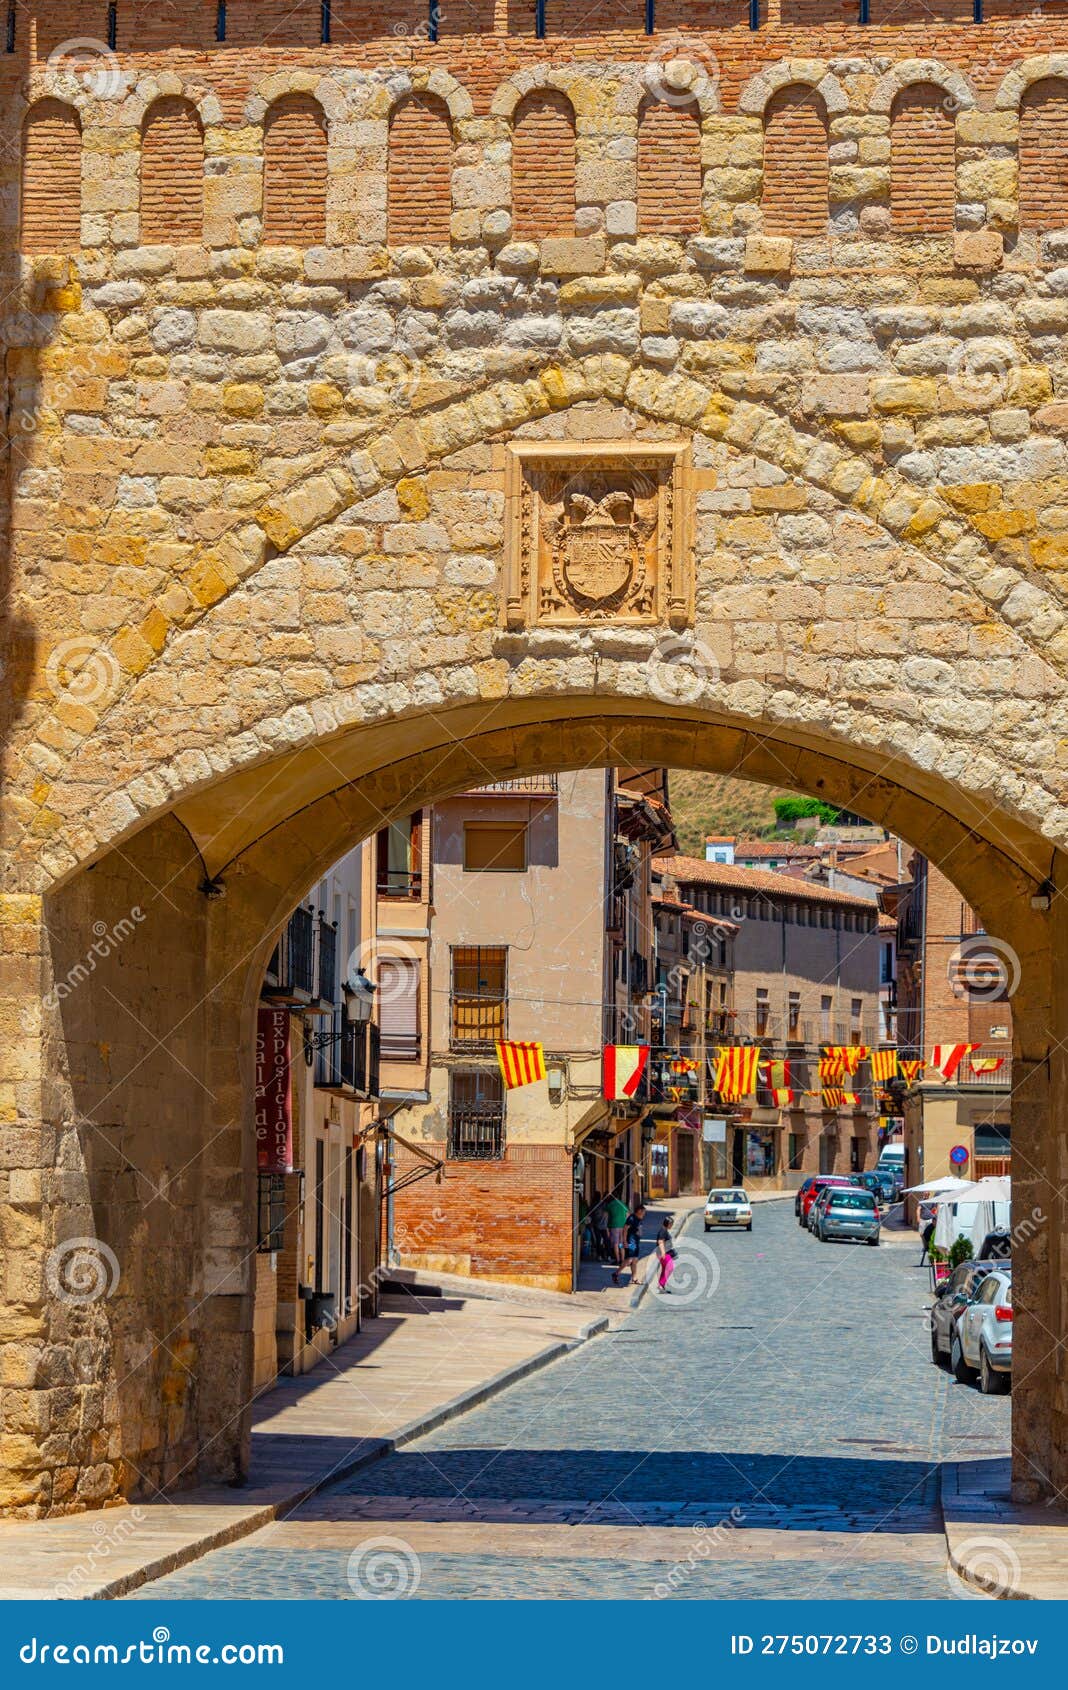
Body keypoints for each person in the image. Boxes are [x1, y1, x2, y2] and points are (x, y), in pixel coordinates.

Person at [613, 1203, 645, 1286]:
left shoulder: (639, 1218)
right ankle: (616, 1273)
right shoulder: (631, 1218)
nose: (644, 1213)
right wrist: (624, 1241)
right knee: (629, 1259)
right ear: (639, 1211)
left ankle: (634, 1278)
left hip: (636, 1242)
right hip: (630, 1242)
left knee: (635, 1260)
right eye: (643, 1212)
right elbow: (625, 1229)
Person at [605, 1189, 630, 1269]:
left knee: (615, 1243)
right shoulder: (622, 1204)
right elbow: (628, 1214)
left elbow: (605, 1215)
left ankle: (618, 1260)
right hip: (622, 1226)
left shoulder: (610, 1205)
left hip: (613, 1226)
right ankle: (622, 1260)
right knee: (621, 1243)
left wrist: (607, 1228)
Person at [656, 1212, 676, 1293]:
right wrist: (663, 1252)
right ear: (668, 1223)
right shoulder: (663, 1231)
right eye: (671, 1224)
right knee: (670, 1267)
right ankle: (661, 1284)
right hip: (664, 1253)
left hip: (665, 1252)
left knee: (665, 1268)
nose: (672, 1225)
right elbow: (660, 1241)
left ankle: (661, 1286)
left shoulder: (664, 1230)